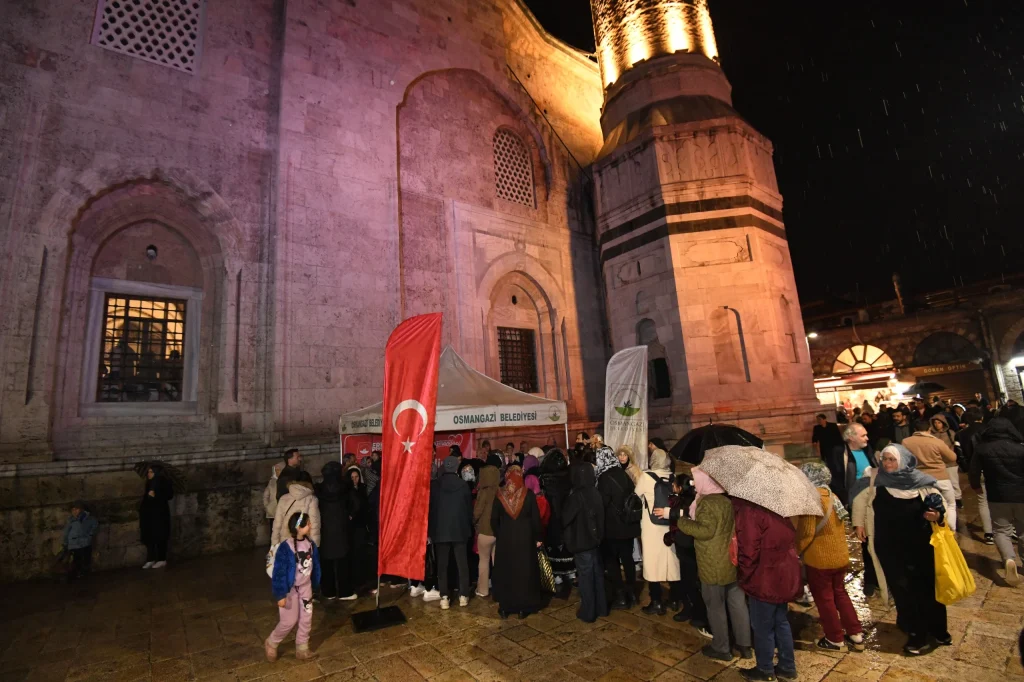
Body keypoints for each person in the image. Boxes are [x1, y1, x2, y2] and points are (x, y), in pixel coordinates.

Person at [851, 444, 948, 656]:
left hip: (920, 547)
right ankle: (916, 634)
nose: (887, 463)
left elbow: (942, 508)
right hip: (889, 547)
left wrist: (937, 516)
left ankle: (937, 629)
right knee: (903, 590)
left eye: (892, 460)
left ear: (903, 461)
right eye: (884, 459)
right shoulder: (875, 480)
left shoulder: (921, 482)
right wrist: (859, 524)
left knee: (926, 588)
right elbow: (859, 500)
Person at [676, 468, 752, 662]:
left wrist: (683, 522)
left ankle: (721, 647)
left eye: (697, 479)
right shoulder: (726, 501)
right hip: (730, 560)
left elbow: (706, 531)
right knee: (737, 604)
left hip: (713, 563)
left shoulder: (707, 503)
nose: (694, 483)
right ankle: (744, 645)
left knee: (715, 606)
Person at [732, 492, 801, 682]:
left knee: (762, 626)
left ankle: (764, 670)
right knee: (781, 620)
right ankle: (787, 667)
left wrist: (744, 576)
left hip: (765, 576)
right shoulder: (781, 507)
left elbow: (749, 549)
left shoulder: (751, 510)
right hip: (783, 573)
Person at [797, 462, 865, 653]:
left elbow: (807, 533)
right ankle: (855, 633)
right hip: (840, 555)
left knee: (824, 598)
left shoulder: (812, 499)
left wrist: (796, 550)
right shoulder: (831, 495)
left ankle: (835, 638)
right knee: (840, 593)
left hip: (820, 560)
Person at [970, 416, 1024, 585]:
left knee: (1001, 531)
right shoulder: (1021, 448)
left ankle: (1009, 559)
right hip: (1022, 494)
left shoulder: (982, 449)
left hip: (997, 495)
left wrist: (976, 486)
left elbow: (973, 471)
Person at [657, 475, 710, 634]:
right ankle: (689, 609)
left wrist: (669, 512)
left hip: (689, 547)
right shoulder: (685, 498)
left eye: (675, 484)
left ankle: (698, 613)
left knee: (691, 581)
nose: (673, 486)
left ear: (680, 487)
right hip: (684, 546)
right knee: (687, 580)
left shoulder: (692, 501)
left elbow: (686, 513)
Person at [266, 512, 320, 662]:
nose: (310, 525)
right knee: (288, 621)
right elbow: (279, 573)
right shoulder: (286, 547)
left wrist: (315, 584)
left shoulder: (311, 544)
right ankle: (272, 642)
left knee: (306, 618)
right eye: (307, 523)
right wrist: (280, 594)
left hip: (306, 588)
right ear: (299, 527)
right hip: (290, 590)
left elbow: (315, 566)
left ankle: (302, 648)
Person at [491, 466, 543, 619]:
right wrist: (538, 537)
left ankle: (505, 607)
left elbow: (493, 520)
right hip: (525, 540)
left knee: (507, 572)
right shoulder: (528, 495)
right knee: (524, 572)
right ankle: (523, 607)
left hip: (505, 540)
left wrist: (500, 535)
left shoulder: (499, 495)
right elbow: (535, 520)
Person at [635, 447, 681, 615]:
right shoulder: (672, 477)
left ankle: (656, 602)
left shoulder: (646, 477)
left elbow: (636, 496)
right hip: (670, 524)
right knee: (672, 560)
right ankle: (675, 600)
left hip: (651, 526)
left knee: (653, 562)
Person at [595, 445, 641, 609]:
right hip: (627, 526)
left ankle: (620, 595)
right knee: (628, 559)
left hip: (612, 529)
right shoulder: (623, 474)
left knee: (612, 561)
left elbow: (602, 503)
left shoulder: (603, 478)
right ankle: (632, 592)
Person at [563, 461, 608, 623]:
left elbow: (565, 518)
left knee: (586, 578)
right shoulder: (595, 492)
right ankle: (602, 608)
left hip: (582, 543)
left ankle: (588, 612)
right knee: (597, 575)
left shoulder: (576, 496)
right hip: (596, 541)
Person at [429, 455, 474, 608]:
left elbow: (431, 510)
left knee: (442, 565)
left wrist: (430, 531)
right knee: (462, 564)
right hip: (460, 530)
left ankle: (444, 597)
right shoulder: (463, 485)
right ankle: (463, 596)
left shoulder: (435, 485)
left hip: (440, 531)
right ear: (456, 468)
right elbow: (469, 510)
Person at [902, 419, 959, 531]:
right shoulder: (936, 441)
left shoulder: (906, 442)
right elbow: (952, 458)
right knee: (950, 504)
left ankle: (929, 530)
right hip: (940, 478)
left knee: (924, 507)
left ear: (914, 429)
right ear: (929, 429)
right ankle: (951, 529)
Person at [317, 462, 357, 601]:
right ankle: (345, 592)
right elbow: (355, 505)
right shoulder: (346, 488)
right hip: (342, 529)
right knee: (343, 562)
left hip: (324, 530)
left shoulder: (319, 489)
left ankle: (328, 591)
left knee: (326, 562)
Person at [539, 449, 574, 594]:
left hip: (552, 518)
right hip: (566, 517)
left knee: (554, 544)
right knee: (565, 544)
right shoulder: (569, 477)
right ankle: (570, 572)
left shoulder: (545, 479)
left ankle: (557, 574)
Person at [959, 408, 994, 544]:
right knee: (998, 500)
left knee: (982, 500)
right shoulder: (988, 429)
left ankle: (989, 533)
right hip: (992, 468)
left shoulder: (961, 434)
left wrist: (967, 469)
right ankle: (1007, 529)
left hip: (975, 470)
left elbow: (960, 454)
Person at [473, 461, 500, 598]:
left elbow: (477, 512)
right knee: (498, 561)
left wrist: (473, 522)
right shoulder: (501, 491)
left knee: (483, 560)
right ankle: (500, 588)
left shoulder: (483, 492)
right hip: (498, 532)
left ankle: (483, 590)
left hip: (484, 531)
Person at [140, 465, 174, 569]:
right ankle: (151, 558)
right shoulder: (150, 483)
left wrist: (156, 495)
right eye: (148, 472)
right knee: (150, 536)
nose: (149, 474)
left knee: (160, 536)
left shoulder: (164, 483)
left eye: (151, 472)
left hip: (160, 515)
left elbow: (169, 496)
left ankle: (161, 559)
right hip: (149, 515)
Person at [272, 480, 321, 547]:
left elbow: (277, 523)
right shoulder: (312, 499)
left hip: (285, 541)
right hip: (304, 541)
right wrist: (315, 545)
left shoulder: (283, 498)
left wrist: (274, 543)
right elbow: (314, 523)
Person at [930, 414, 963, 510]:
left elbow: (955, 445)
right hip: (938, 463)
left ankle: (958, 499)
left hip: (950, 462)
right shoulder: (931, 435)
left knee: (954, 482)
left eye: (939, 422)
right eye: (935, 423)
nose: (937, 425)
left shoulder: (950, 433)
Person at [61, 501, 99, 580]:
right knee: (76, 560)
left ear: (81, 509)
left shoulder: (89, 518)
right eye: (73, 510)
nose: (74, 511)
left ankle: (82, 574)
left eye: (76, 509)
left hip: (85, 542)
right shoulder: (71, 520)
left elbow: (94, 526)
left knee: (85, 559)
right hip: (74, 543)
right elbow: (66, 532)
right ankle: (74, 574)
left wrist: (90, 535)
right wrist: (65, 543)